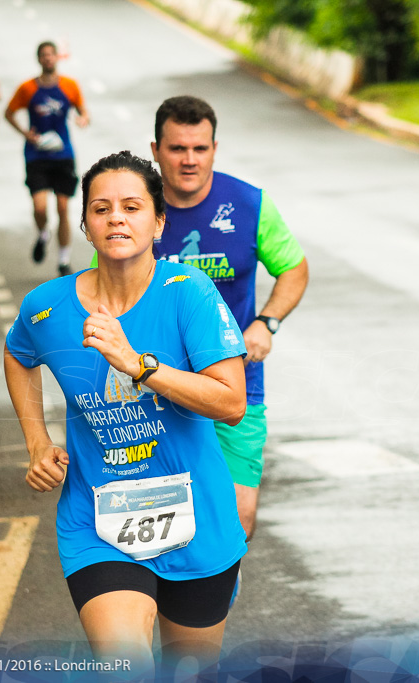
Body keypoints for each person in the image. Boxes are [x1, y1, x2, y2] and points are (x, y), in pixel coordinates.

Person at [4, 151, 247, 679]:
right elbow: (17, 354)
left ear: (158, 222)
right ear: (87, 226)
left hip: (197, 519)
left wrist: (138, 365)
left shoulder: (189, 294)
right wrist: (37, 443)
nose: (117, 217)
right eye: (102, 208)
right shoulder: (46, 309)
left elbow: (231, 403)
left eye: (133, 206)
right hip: (99, 523)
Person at [149, 96, 308, 579]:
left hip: (235, 386)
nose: (189, 160)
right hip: (156, 388)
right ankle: (171, 606)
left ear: (215, 148)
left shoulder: (249, 204)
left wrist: (267, 322)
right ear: (156, 150)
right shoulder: (137, 208)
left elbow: (294, 269)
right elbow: (101, 290)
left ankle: (210, 605)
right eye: (177, 148)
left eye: (200, 148)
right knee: (163, 519)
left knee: (240, 515)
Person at [4, 40, 90, 278]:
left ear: (57, 58)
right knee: (40, 207)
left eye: (51, 55)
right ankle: (43, 234)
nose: (48, 59)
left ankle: (63, 261)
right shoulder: (28, 89)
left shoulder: (69, 86)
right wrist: (25, 133)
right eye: (44, 55)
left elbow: (83, 110)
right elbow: (8, 113)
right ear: (39, 59)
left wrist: (83, 119)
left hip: (63, 155)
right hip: (37, 155)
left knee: (63, 208)